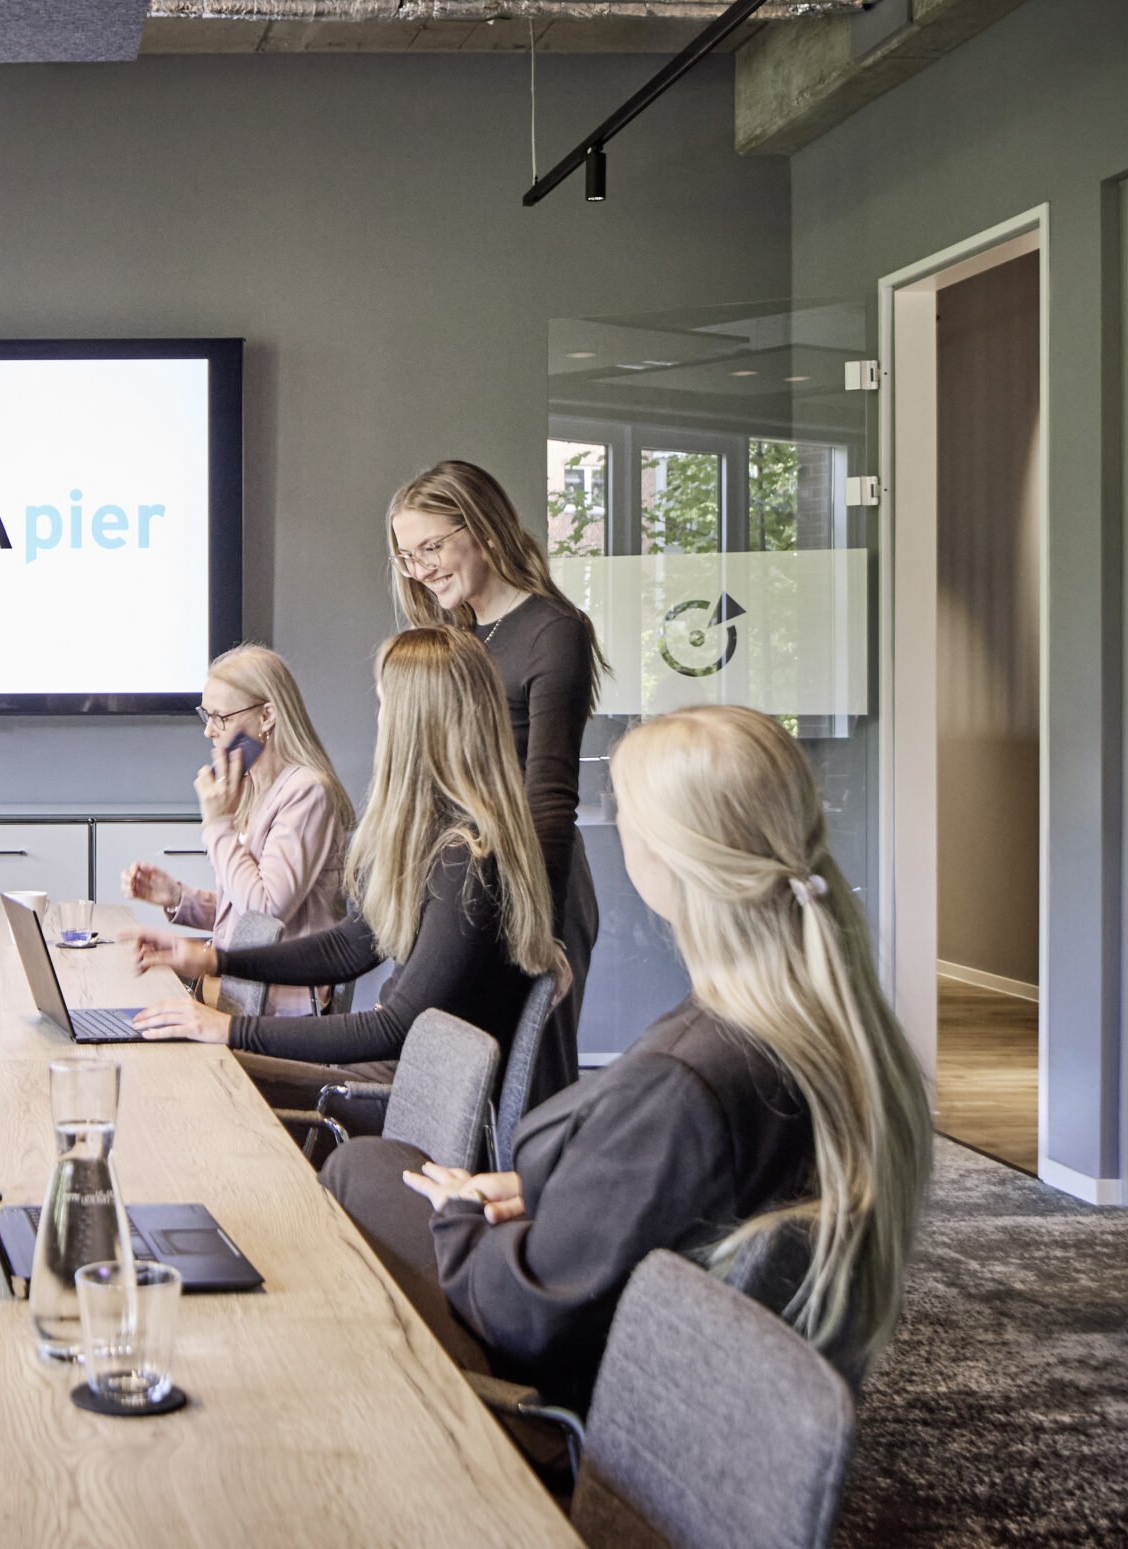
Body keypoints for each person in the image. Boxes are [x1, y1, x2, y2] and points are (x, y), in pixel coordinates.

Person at [323, 705, 931, 1414]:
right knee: (376, 1167)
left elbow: (534, 1314)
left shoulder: (687, 1082)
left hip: (563, 1390)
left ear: (668, 859)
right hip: (661, 1354)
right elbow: (677, 1201)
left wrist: (459, 1214)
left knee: (358, 1169)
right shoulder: (821, 1027)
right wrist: (544, 1191)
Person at [128, 627, 566, 1112]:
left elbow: (393, 1027)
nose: (378, 721)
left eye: (382, 706)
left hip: (414, 1099)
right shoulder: (439, 838)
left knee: (202, 1078)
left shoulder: (467, 859)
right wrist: (216, 961)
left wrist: (230, 1029)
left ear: (413, 722)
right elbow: (348, 946)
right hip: (396, 1074)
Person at [388, 460, 603, 1078]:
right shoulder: (459, 631)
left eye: (432, 546)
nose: (421, 568)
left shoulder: (552, 631)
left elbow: (551, 797)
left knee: (526, 1080)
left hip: (538, 880)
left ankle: (529, 1181)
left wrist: (545, 928)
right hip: (473, 884)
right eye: (409, 555)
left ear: (482, 527)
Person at [119, 645, 351, 1016]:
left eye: (220, 717)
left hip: (280, 1011)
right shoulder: (255, 790)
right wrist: (179, 898)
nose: (209, 731)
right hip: (239, 996)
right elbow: (245, 916)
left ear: (267, 715)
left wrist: (217, 826)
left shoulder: (306, 791)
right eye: (205, 715)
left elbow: (266, 912)